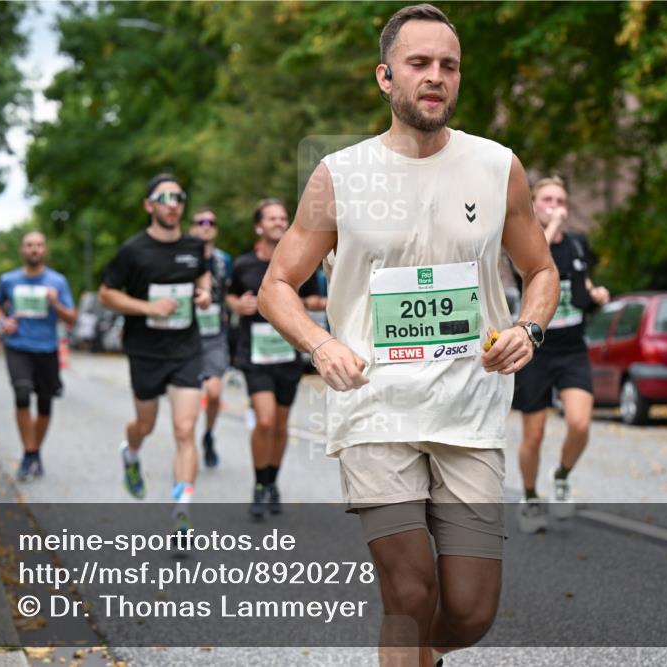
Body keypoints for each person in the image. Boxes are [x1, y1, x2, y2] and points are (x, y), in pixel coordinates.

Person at [257, 5, 559, 665]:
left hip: (469, 411)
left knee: (471, 611)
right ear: (384, 76)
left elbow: (541, 270)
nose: (436, 77)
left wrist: (530, 328)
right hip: (376, 410)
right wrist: (322, 343)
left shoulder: (497, 166)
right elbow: (276, 285)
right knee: (409, 589)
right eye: (419, 64)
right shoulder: (340, 175)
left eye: (448, 66)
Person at [99, 174, 211, 537]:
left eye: (179, 196)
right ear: (149, 205)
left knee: (184, 428)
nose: (173, 203)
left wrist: (204, 294)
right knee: (144, 425)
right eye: (164, 197)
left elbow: (203, 276)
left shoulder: (195, 246)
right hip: (145, 351)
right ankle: (130, 453)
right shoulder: (133, 250)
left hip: (186, 350)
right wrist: (148, 307)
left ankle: (182, 510)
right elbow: (107, 295)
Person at [512, 176, 610, 533]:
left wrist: (595, 292)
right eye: (548, 199)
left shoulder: (578, 244)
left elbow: (581, 283)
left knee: (580, 424)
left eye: (560, 200)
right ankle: (530, 496)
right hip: (536, 350)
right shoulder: (524, 242)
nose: (557, 206)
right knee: (533, 434)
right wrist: (551, 224)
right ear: (534, 205)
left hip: (572, 348)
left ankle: (562, 475)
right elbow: (538, 264)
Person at [227, 198, 325, 518]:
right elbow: (227, 293)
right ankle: (258, 484)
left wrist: (310, 302)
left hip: (286, 353)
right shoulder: (243, 265)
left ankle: (272, 482)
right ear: (259, 225)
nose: (279, 222)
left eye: (283, 217)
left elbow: (313, 297)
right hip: (254, 354)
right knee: (265, 419)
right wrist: (236, 304)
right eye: (272, 218)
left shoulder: (298, 262)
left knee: (281, 424)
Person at [0, 231, 77, 481]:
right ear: (22, 250)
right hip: (18, 346)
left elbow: (71, 317)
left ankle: (35, 451)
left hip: (47, 348)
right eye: (29, 245)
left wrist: (56, 304)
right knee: (21, 394)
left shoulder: (57, 282)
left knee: (45, 404)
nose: (34, 249)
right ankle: (29, 453)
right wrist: (4, 321)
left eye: (39, 245)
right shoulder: (9, 280)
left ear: (45, 249)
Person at [187, 207, 232, 468]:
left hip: (215, 334)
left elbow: (230, 293)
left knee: (214, 394)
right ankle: (187, 441)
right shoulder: (181, 256)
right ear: (191, 227)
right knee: (190, 395)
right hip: (187, 335)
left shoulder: (223, 259)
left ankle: (208, 434)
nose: (206, 225)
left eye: (211, 222)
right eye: (200, 221)